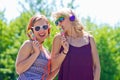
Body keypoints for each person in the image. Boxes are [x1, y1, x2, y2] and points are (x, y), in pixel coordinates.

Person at [51, 8, 101, 80]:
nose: (59, 23)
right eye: (57, 22)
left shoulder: (90, 39)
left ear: (71, 18)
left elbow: (97, 66)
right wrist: (64, 51)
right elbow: (52, 67)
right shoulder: (59, 38)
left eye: (61, 19)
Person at [15, 14, 52, 80]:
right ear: (32, 31)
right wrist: (35, 53)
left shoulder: (46, 51)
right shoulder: (28, 44)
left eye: (44, 27)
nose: (41, 30)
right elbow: (19, 70)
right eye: (37, 28)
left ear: (48, 28)